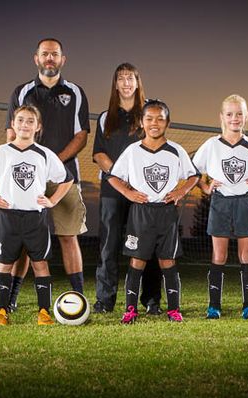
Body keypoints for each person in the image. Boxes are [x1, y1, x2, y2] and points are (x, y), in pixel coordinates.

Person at [4, 38, 89, 310]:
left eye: (55, 54)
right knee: (25, 243)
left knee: (68, 236)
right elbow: (10, 135)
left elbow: (82, 135)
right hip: (26, 180)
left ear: (63, 59)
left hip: (65, 177)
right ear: (36, 59)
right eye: (45, 54)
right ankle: (12, 298)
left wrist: (52, 162)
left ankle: (79, 296)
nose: (49, 58)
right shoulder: (22, 91)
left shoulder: (75, 92)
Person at [0, 105, 73, 325]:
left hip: (35, 218)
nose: (24, 125)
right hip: (8, 217)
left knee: (40, 264)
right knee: (4, 263)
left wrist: (53, 200)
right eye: (20, 120)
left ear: (38, 127)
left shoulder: (45, 154)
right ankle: (1, 310)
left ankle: (44, 311)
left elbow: (67, 179)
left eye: (30, 121)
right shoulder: (1, 152)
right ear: (13, 124)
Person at [108, 99, 200, 324]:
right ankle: (130, 310)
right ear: (142, 122)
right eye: (149, 118)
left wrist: (180, 192)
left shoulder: (176, 150)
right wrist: (129, 194)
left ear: (168, 122)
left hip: (166, 213)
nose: (154, 123)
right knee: (137, 261)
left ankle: (174, 310)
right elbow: (112, 176)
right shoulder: (132, 151)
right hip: (141, 213)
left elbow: (194, 175)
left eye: (160, 118)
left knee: (167, 262)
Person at [192, 95, 248, 320]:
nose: (234, 118)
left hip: (245, 202)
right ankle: (214, 306)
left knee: (246, 254)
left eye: (239, 114)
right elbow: (192, 172)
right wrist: (206, 187)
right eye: (230, 114)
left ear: (246, 117)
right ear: (222, 117)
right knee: (219, 254)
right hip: (220, 202)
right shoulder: (212, 145)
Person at [92, 62, 162, 314]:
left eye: (130, 77)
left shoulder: (147, 113)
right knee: (109, 245)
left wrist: (136, 180)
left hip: (143, 191)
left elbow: (156, 147)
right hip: (112, 190)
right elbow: (98, 154)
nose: (125, 82)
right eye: (120, 78)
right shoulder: (104, 117)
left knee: (147, 244)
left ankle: (151, 300)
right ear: (115, 84)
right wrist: (120, 178)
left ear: (137, 82)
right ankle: (105, 299)